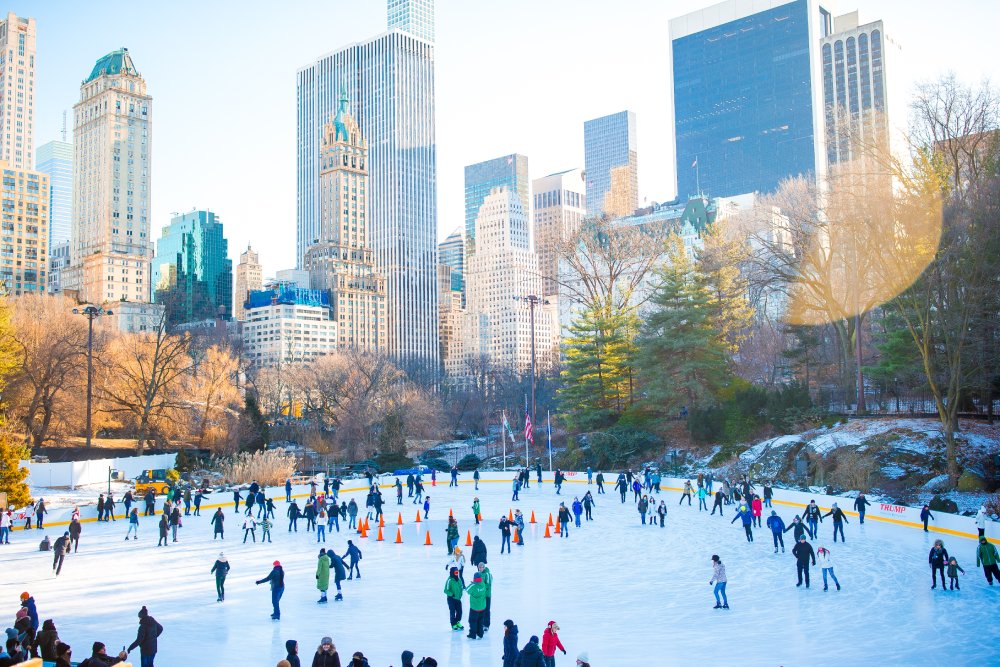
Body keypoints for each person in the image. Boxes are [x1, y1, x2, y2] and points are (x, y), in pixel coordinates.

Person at [465, 572, 487, 639]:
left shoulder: (473, 586)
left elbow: (467, 590)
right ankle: (480, 633)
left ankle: (472, 634)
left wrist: (473, 583)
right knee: (480, 620)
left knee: (472, 621)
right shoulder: (482, 583)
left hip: (475, 607)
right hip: (482, 606)